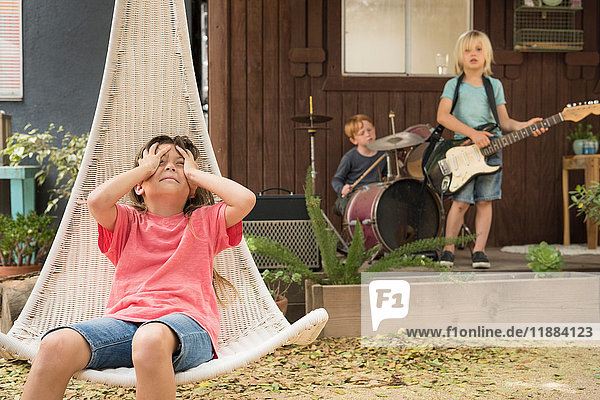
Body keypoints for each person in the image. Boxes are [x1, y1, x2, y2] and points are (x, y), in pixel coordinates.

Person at [22, 135, 256, 400]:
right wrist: (143, 169)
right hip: (126, 324)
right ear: (139, 186)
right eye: (159, 162)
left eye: (179, 164)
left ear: (192, 187)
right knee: (55, 345)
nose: (170, 167)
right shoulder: (127, 223)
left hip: (188, 327)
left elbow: (245, 200)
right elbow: (97, 201)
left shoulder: (204, 221)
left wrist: (195, 173)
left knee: (150, 337)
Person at [437, 30, 545, 269]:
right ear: (460, 56)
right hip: (464, 150)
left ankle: (479, 251)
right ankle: (448, 249)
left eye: (478, 49)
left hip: (492, 149)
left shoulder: (493, 85)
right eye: (467, 50)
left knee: (485, 201)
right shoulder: (453, 85)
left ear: (487, 55)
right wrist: (472, 134)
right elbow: (443, 116)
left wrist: (525, 125)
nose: (473, 54)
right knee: (461, 202)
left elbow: (504, 122)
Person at [331, 114, 387, 215]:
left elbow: (385, 176)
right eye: (362, 133)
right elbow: (336, 180)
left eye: (369, 130)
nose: (367, 134)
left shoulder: (383, 155)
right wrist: (342, 189)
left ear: (374, 129)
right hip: (355, 195)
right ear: (353, 140)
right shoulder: (350, 158)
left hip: (375, 195)